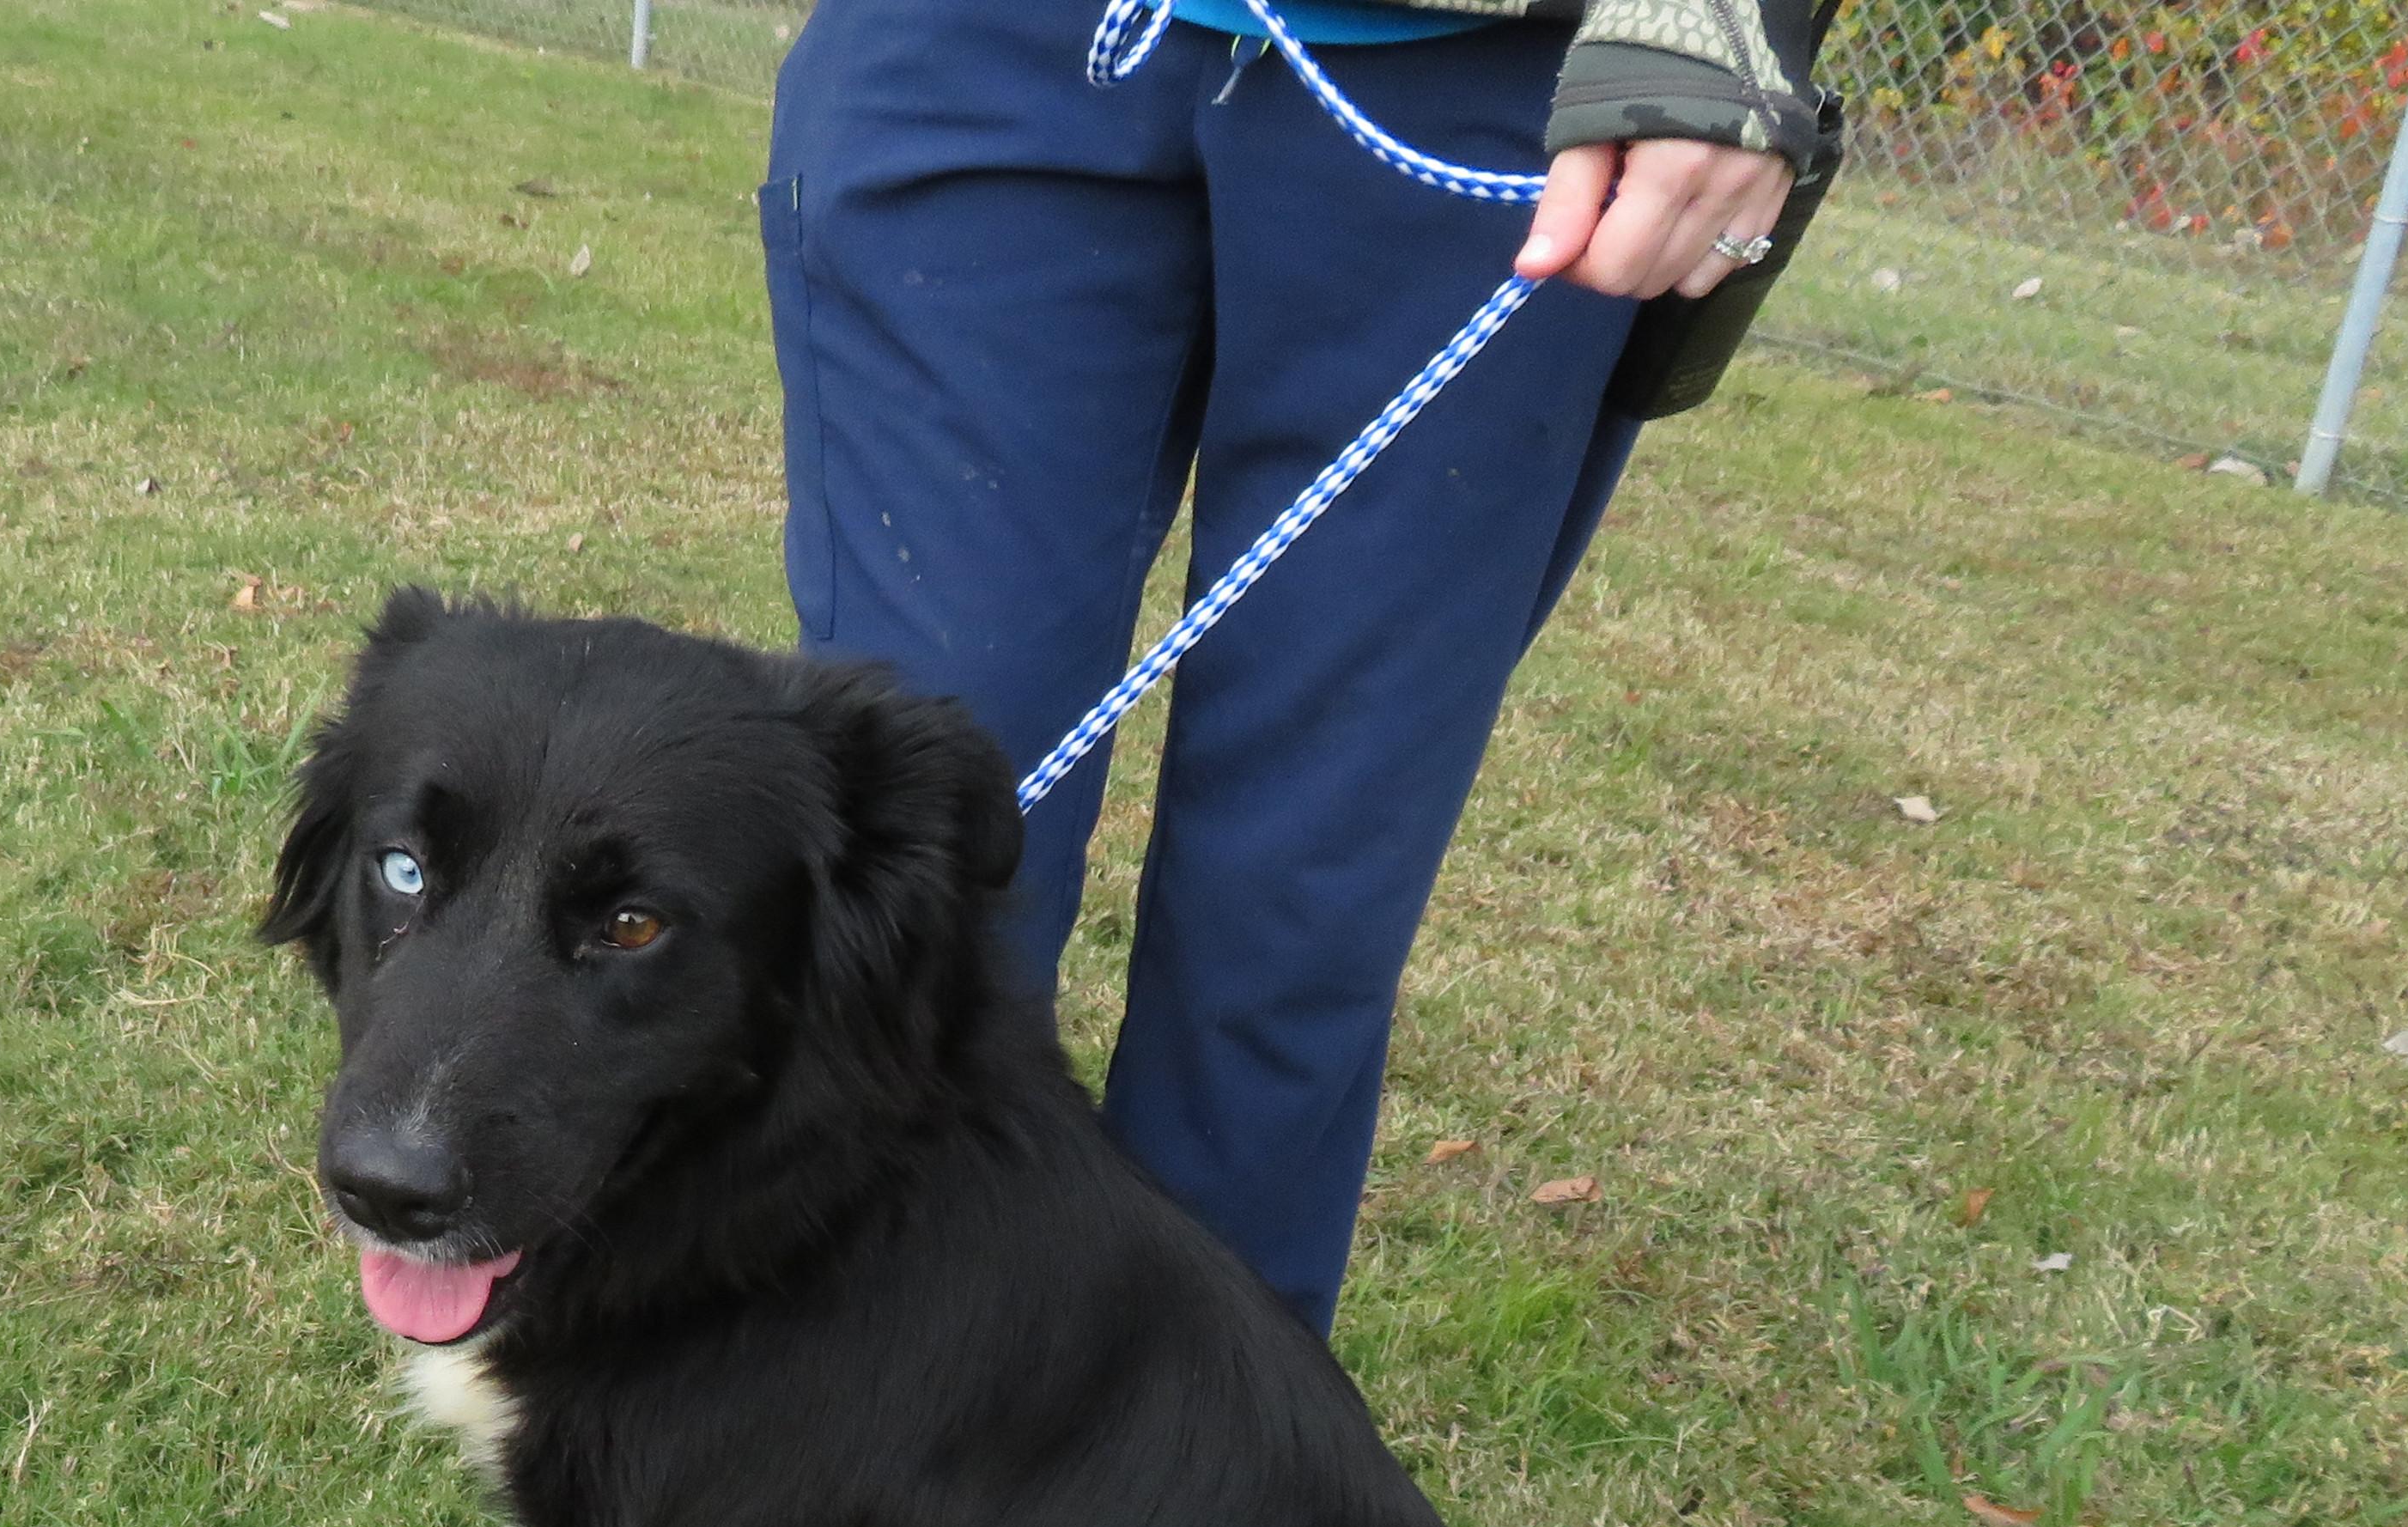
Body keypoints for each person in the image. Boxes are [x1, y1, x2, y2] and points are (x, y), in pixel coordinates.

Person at [760, 0, 1831, 1335]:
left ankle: (1189, 1486)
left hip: (1490, 94)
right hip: (985, 48)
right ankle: (842, 1421)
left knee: (1287, 921)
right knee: (907, 851)